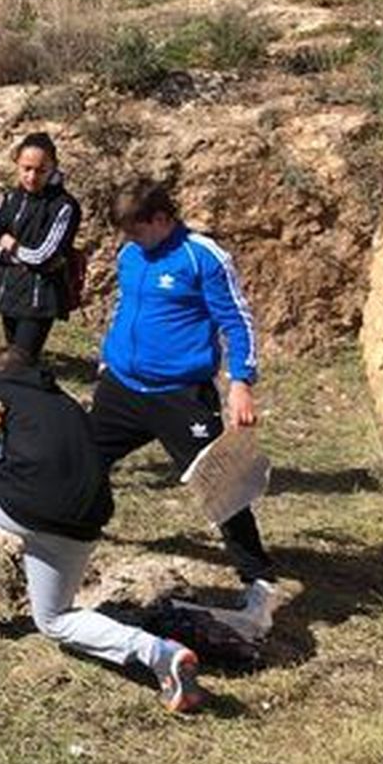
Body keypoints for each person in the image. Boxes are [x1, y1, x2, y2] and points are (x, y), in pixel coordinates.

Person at [0, 345, 204, 714]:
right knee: (54, 620)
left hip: (30, 504)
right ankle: (161, 654)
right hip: (86, 518)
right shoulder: (67, 403)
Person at [89, 180, 280, 633]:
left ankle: (259, 582)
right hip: (122, 387)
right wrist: (108, 358)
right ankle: (69, 534)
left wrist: (241, 384)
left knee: (221, 485)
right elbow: (126, 308)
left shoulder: (203, 257)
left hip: (180, 394)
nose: (130, 243)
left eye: (136, 231)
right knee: (84, 458)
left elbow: (237, 320)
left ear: (160, 218)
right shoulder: (130, 254)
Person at [0, 132, 81, 362]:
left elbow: (44, 256)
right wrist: (16, 255)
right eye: (26, 168)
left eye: (40, 170)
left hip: (39, 296)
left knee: (23, 360)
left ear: (53, 167)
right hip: (8, 290)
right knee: (12, 357)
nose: (32, 176)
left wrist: (10, 245)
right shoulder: (10, 199)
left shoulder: (64, 206)